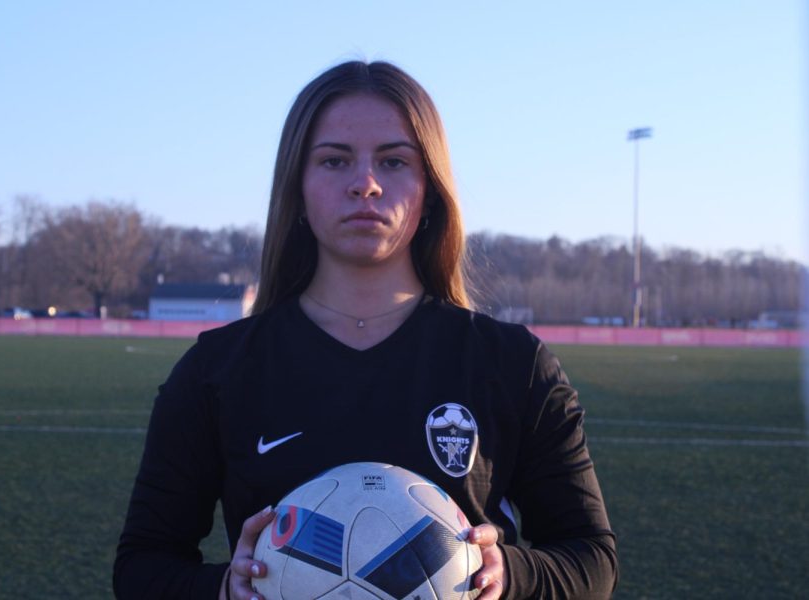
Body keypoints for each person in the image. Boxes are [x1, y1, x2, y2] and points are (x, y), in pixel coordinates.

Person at [114, 61, 618, 599]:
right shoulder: (217, 370)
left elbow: (591, 558)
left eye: (394, 161)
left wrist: (512, 575)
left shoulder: (512, 364)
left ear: (430, 187)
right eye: (334, 160)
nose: (366, 184)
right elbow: (143, 565)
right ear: (297, 186)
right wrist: (224, 588)